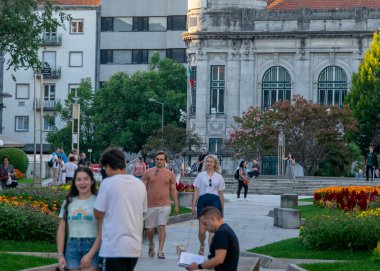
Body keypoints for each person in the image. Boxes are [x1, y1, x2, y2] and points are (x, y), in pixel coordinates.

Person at [94, 148, 147, 271]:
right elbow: (143, 211)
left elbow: (98, 213)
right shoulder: (139, 185)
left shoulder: (107, 184)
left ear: (107, 166)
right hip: (134, 247)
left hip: (113, 247)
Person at [56, 167, 102, 271]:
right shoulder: (68, 202)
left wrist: (90, 255)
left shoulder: (98, 202)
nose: (82, 182)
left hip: (92, 246)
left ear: (92, 181)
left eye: (86, 179)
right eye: (79, 179)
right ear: (74, 183)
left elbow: (102, 231)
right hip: (72, 247)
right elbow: (61, 230)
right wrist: (60, 255)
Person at [142, 150, 179, 259]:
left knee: (162, 226)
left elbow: (173, 190)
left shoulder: (170, 173)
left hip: (165, 204)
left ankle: (160, 251)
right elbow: (141, 188)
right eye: (157, 159)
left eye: (161, 159)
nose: (159, 161)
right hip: (150, 205)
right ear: (155, 160)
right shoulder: (148, 172)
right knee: (150, 229)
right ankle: (151, 244)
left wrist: (176, 205)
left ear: (165, 160)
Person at [187, 207, 240, 271]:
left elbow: (219, 259)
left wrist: (198, 266)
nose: (205, 227)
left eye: (205, 223)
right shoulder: (225, 229)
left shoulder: (221, 233)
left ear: (213, 219)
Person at [192, 154, 225, 256]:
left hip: (215, 202)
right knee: (201, 230)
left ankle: (211, 251)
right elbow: (196, 192)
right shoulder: (200, 175)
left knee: (212, 230)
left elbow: (221, 194)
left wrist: (222, 210)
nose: (209, 163)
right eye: (208, 161)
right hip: (202, 201)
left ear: (215, 164)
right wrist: (193, 206)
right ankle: (202, 244)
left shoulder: (219, 177)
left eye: (211, 161)